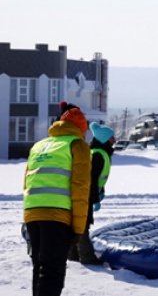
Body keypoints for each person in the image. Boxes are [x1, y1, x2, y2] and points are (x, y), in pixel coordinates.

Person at [23, 103, 91, 296]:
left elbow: (26, 183)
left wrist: (28, 215)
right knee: (52, 272)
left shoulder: (39, 146)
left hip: (32, 214)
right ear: (81, 129)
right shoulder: (78, 146)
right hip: (57, 216)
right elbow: (80, 189)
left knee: (40, 268)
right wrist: (78, 229)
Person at [68, 122, 115, 265]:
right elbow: (91, 179)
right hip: (84, 194)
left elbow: (99, 178)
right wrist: (94, 199)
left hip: (86, 194)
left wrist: (100, 192)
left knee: (79, 223)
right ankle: (87, 258)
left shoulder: (100, 153)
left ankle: (73, 255)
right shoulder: (97, 155)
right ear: (104, 139)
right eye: (112, 137)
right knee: (83, 224)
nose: (114, 140)